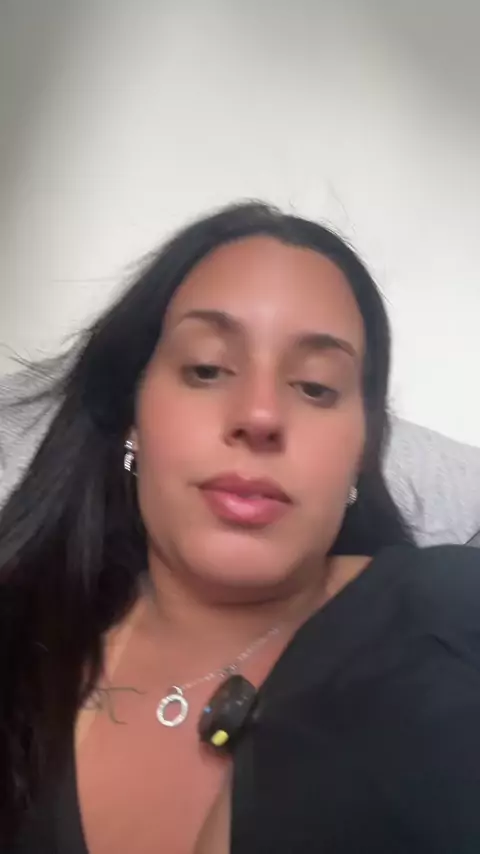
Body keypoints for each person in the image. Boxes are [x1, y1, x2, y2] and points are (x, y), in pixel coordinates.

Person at [1, 202, 479, 854]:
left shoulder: (448, 616)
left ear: (362, 452)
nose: (260, 415)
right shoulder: (21, 638)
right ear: (133, 418)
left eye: (315, 386)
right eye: (206, 369)